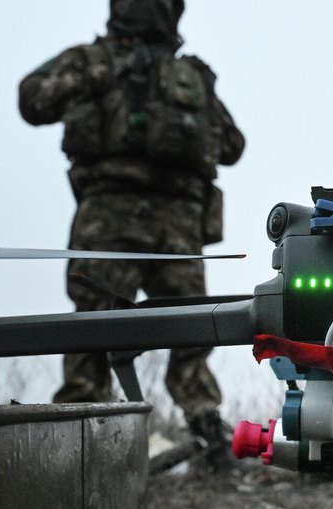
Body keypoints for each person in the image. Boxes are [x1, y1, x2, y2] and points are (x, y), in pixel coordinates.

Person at [18, 0, 245, 469]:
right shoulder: (182, 74)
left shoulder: (96, 60)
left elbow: (33, 99)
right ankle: (204, 432)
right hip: (167, 220)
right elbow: (231, 145)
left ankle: (79, 437)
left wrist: (97, 82)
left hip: (118, 215)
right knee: (185, 327)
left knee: (99, 325)